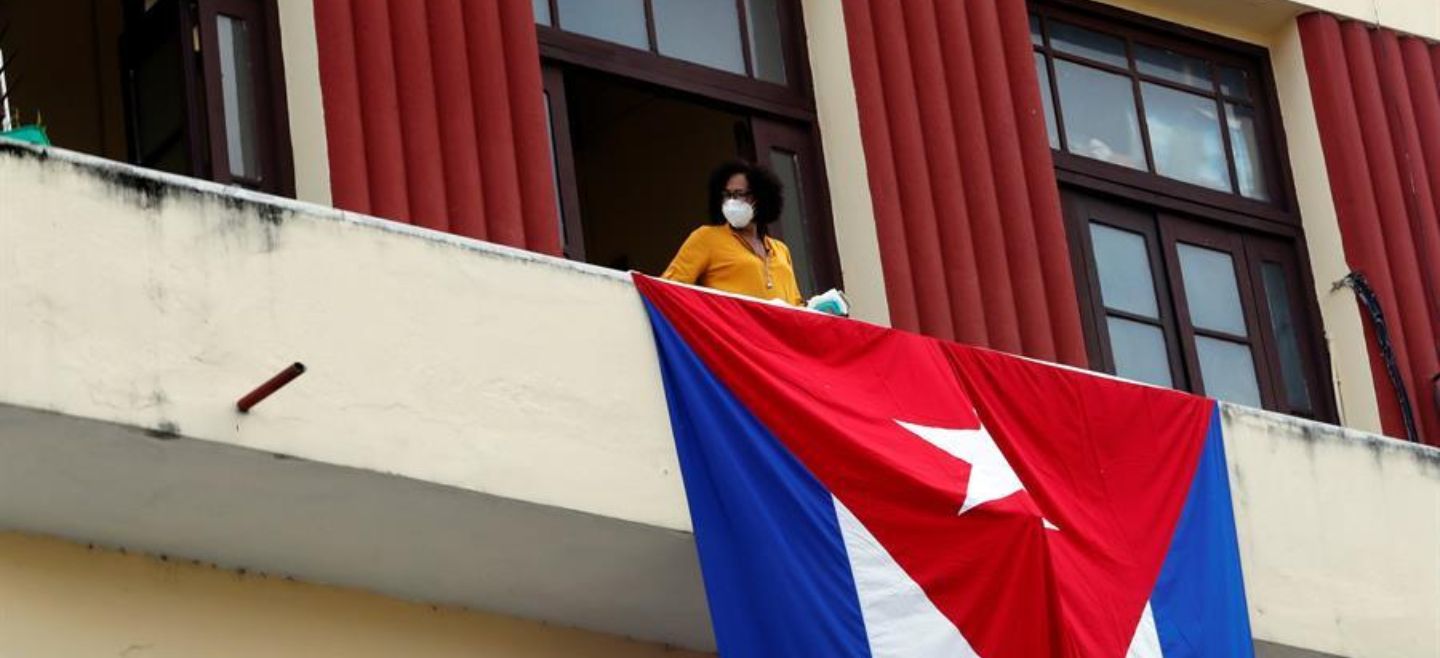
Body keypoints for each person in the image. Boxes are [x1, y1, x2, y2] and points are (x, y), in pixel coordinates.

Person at [661, 161, 804, 306]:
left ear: (760, 197)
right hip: (733, 328)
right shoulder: (706, 238)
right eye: (727, 195)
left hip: (778, 328)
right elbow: (668, 288)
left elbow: (797, 306)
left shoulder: (781, 249)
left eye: (739, 194)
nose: (731, 201)